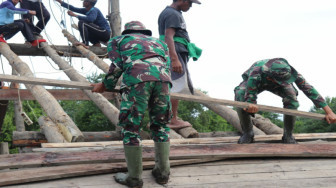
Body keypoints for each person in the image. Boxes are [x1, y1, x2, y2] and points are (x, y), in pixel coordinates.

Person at [91, 21, 172, 187]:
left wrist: (105, 85)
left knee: (131, 128)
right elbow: (167, 65)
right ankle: (163, 174)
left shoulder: (117, 40)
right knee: (161, 126)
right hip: (163, 80)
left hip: (137, 80)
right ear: (144, 31)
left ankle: (134, 178)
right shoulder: (160, 43)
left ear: (127, 31)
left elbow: (117, 65)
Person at [234, 58, 336, 144]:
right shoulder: (256, 73)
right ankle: (248, 133)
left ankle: (288, 135)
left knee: (292, 98)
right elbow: (250, 95)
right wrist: (251, 104)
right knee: (240, 95)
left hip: (276, 80)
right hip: (259, 81)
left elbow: (308, 89)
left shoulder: (289, 71)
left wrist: (329, 112)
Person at [158, 0, 202, 129]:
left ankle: (168, 117)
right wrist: (174, 58)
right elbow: (168, 37)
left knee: (173, 84)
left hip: (176, 50)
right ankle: (172, 119)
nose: (190, 6)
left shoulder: (172, 12)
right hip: (175, 50)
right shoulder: (173, 14)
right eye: (189, 3)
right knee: (176, 84)